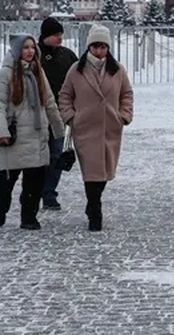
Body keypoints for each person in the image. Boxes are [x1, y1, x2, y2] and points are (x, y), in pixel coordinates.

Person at [59, 25, 134, 231]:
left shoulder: (117, 69)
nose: (99, 51)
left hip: (110, 128)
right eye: (95, 47)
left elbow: (126, 94)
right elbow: (65, 95)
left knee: (105, 173)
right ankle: (95, 210)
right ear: (88, 47)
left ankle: (93, 203)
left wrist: (124, 115)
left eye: (103, 47)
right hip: (85, 129)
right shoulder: (76, 69)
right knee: (91, 174)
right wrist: (71, 117)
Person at [0, 34, 64, 230]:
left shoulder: (38, 72)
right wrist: (1, 131)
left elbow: (49, 102)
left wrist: (58, 129)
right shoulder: (5, 74)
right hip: (13, 136)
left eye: (32, 47)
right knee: (7, 181)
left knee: (35, 182)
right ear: (17, 51)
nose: (30, 51)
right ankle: (0, 206)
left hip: (37, 134)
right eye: (25, 47)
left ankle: (29, 217)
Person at [37, 17, 78, 211]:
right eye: (55, 35)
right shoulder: (33, 54)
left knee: (55, 154)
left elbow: (80, 78)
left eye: (61, 34)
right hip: (37, 114)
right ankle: (33, 191)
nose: (59, 38)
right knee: (37, 156)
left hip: (60, 114)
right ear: (46, 35)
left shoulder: (67, 55)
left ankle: (49, 193)